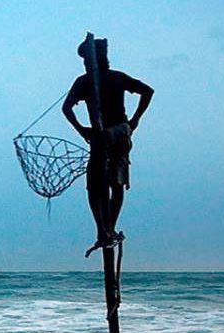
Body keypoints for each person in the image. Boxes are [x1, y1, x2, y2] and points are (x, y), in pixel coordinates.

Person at [62, 38, 153, 256]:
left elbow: (147, 92)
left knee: (115, 182)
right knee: (97, 185)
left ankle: (107, 229)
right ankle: (103, 231)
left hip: (117, 133)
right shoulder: (85, 82)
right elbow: (67, 108)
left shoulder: (115, 78)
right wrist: (83, 129)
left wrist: (134, 120)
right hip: (101, 137)